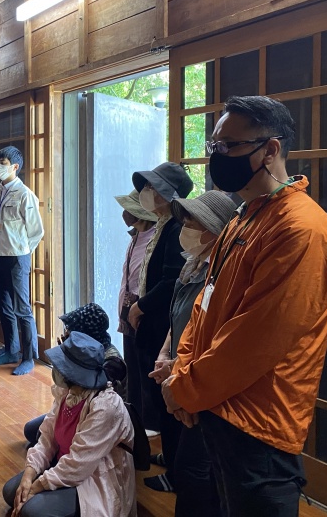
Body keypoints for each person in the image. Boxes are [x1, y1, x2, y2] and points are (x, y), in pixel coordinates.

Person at [162, 96, 327, 516]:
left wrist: (184, 388)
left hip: (259, 423)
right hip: (215, 404)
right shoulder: (242, 217)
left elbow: (255, 341)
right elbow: (205, 305)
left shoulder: (301, 229)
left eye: (229, 146)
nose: (217, 156)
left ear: (271, 149)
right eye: (214, 146)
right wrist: (182, 372)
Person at [145, 190, 235, 506]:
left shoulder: (225, 272)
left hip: (201, 378)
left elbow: (216, 336)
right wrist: (165, 354)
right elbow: (179, 316)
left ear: (214, 229)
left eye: (193, 223)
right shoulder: (193, 264)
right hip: (179, 370)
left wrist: (179, 368)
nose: (185, 229)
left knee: (195, 469)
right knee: (186, 459)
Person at [3, 331, 136, 517]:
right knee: (10, 492)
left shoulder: (105, 406)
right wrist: (29, 474)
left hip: (92, 475)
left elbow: (78, 465)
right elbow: (47, 438)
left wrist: (36, 487)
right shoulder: (67, 392)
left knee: (31, 510)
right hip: (65, 463)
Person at [128, 163, 193, 434]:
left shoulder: (176, 228)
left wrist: (139, 306)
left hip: (163, 324)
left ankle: (171, 456)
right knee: (156, 395)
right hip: (155, 322)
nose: (145, 191)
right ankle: (167, 451)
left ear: (168, 194)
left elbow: (171, 281)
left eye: (151, 187)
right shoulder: (163, 225)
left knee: (165, 397)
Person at [23, 303, 127, 448]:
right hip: (76, 406)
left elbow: (83, 393)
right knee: (32, 431)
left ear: (86, 333)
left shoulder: (113, 362)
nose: (67, 332)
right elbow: (63, 390)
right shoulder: (83, 351)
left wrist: (69, 361)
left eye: (71, 329)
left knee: (42, 440)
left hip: (98, 416)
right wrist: (66, 357)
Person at [0, 146, 45, 376]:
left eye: (3, 163)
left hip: (17, 257)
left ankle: (29, 357)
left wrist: (23, 251)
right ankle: (11, 350)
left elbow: (36, 231)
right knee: (3, 305)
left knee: (22, 308)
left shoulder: (25, 195)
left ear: (15, 167)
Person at [114, 189, 157, 422]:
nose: (125, 213)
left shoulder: (154, 238)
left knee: (144, 372)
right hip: (127, 311)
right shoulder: (135, 238)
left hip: (142, 313)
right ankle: (133, 419)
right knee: (132, 369)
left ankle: (148, 424)